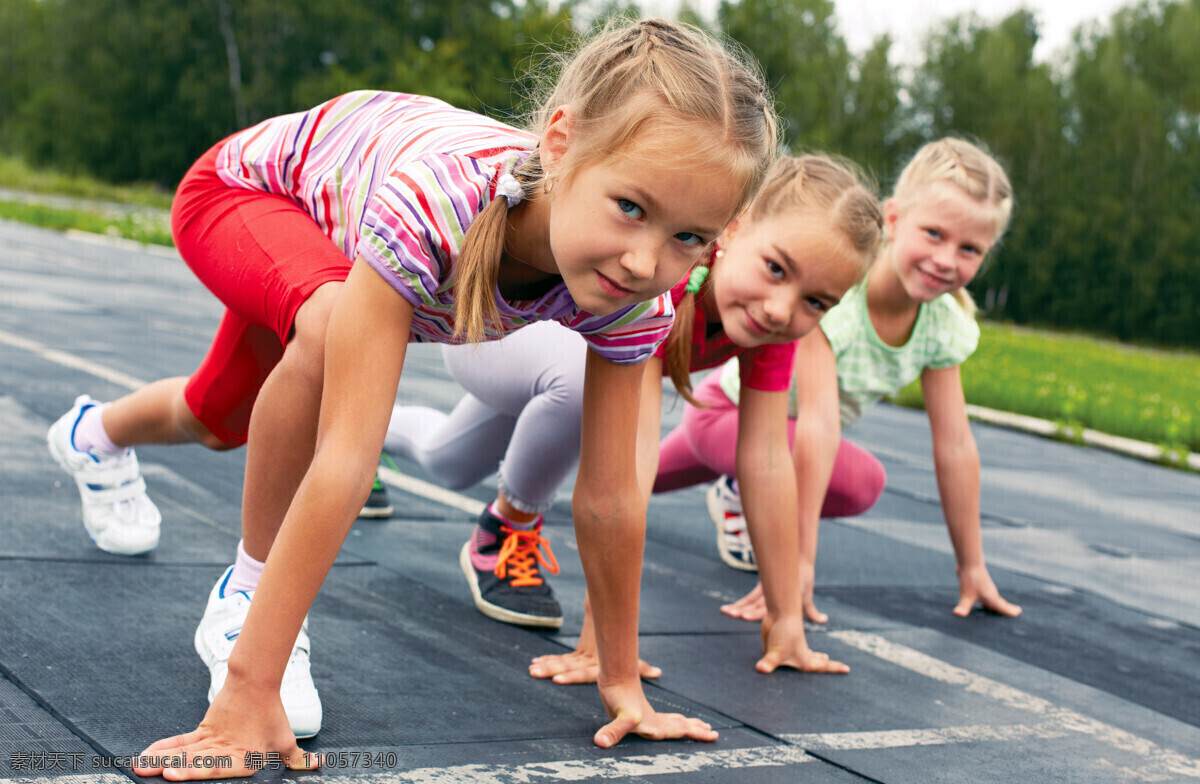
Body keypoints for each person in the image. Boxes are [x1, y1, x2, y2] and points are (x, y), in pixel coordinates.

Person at [103, 18, 778, 780]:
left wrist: (617, 673)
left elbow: (613, 494)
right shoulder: (441, 206)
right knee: (323, 330)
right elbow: (347, 460)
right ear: (560, 143)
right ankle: (246, 610)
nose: (645, 259)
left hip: (327, 244)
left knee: (215, 417)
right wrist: (248, 692)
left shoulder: (635, 297)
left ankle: (95, 435)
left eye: (690, 238)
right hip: (246, 195)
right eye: (631, 207)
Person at [387, 155, 882, 680]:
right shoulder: (661, 281)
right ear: (734, 230)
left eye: (816, 301)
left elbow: (766, 461)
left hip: (544, 366)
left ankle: (383, 435)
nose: (783, 309)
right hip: (487, 333)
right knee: (586, 390)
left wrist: (787, 622)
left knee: (448, 460)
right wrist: (601, 644)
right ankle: (507, 526)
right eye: (776, 269)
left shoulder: (770, 327)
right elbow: (630, 467)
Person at [676, 138, 1023, 633]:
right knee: (630, 477)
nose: (947, 259)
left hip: (773, 437)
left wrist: (972, 567)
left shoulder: (942, 324)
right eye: (934, 234)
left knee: (862, 482)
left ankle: (735, 487)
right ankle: (738, 489)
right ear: (895, 220)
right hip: (729, 415)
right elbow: (817, 423)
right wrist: (796, 562)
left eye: (969, 249)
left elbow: (955, 445)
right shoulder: (833, 293)